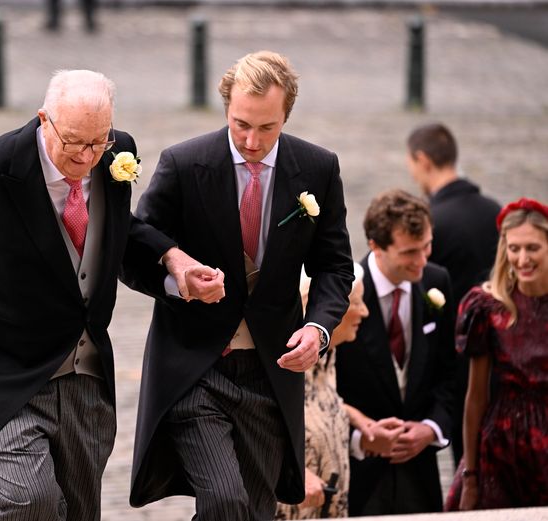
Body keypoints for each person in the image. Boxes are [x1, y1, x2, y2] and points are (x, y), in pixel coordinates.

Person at [0, 69, 208, 520]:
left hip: (85, 374)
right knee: (31, 499)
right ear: (45, 120)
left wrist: (171, 258)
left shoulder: (117, 151)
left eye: (98, 142)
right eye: (76, 142)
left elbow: (118, 229)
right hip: (6, 373)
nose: (88, 156)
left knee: (81, 509)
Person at [121, 51, 354, 520]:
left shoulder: (318, 168)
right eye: (240, 124)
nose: (251, 140)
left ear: (287, 114)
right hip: (194, 369)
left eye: (267, 128)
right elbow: (132, 252)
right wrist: (178, 281)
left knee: (255, 510)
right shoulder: (184, 164)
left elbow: (334, 266)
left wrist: (318, 330)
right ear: (226, 106)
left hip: (270, 371)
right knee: (226, 500)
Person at [335, 189, 457, 516]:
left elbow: (451, 374)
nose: (422, 260)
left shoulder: (437, 280)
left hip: (420, 473)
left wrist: (430, 428)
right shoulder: (343, 294)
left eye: (426, 246)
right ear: (375, 245)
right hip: (359, 476)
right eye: (409, 252)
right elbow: (321, 390)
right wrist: (361, 438)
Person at [276, 263, 407, 519]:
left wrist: (359, 429)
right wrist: (290, 472)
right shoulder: (285, 360)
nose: (365, 312)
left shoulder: (328, 358)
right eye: (357, 303)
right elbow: (253, 426)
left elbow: (318, 409)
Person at [406, 122, 501, 464]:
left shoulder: (432, 221)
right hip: (503, 355)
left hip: (456, 359)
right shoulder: (494, 210)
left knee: (468, 454)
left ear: (422, 160)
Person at [445, 197, 548, 511]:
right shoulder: (488, 306)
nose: (522, 258)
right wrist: (471, 475)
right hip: (501, 452)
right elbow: (475, 397)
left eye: (532, 248)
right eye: (514, 248)